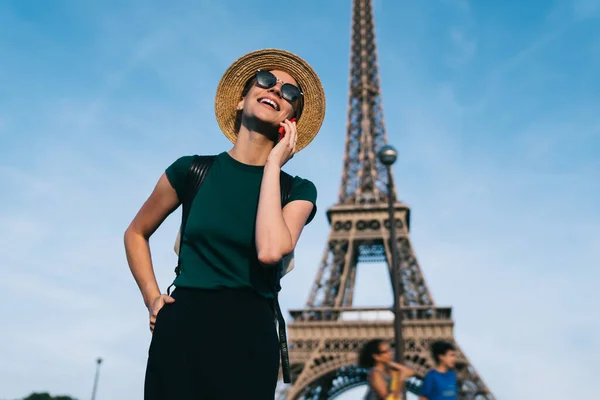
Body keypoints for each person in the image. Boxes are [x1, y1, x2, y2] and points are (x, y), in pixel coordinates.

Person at [123, 48, 326, 399]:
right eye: (265, 81)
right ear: (240, 100)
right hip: (182, 326)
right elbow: (136, 233)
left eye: (290, 93)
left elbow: (270, 250)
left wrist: (273, 164)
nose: (276, 90)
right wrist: (151, 297)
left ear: (290, 120)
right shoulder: (192, 170)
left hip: (250, 333)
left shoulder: (297, 189)